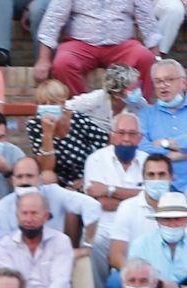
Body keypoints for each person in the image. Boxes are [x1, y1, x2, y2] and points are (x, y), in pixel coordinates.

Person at [34, 0, 160, 97]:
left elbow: (147, 20)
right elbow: (53, 18)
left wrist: (157, 60)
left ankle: (135, 115)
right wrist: (43, 59)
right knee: (63, 63)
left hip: (122, 45)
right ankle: (82, 114)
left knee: (144, 57)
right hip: (80, 44)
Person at [83, 111, 147, 288]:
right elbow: (102, 202)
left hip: (139, 227)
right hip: (105, 228)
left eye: (132, 134)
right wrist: (137, 197)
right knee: (92, 242)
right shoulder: (96, 160)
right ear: (112, 135)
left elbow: (151, 198)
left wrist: (109, 189)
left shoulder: (147, 162)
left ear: (140, 138)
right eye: (121, 133)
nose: (126, 139)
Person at [0, 191, 74, 288]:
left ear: (46, 216)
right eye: (24, 213)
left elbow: (60, 282)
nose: (28, 219)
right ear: (17, 216)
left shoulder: (61, 241)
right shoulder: (5, 244)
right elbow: (9, 282)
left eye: (34, 213)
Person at [26, 80, 108, 189]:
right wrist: (47, 134)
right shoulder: (35, 125)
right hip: (57, 182)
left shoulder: (78, 120)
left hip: (85, 177)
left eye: (53, 103)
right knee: (47, 176)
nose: (48, 107)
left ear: (63, 104)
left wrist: (87, 178)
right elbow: (46, 167)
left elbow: (105, 146)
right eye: (43, 103)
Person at [128, 192, 187, 288]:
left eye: (177, 219)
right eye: (166, 219)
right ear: (158, 220)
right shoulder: (141, 244)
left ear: (185, 220)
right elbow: (135, 282)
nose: (172, 224)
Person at [109, 153, 174, 273]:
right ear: (143, 178)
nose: (156, 179)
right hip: (136, 274)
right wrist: (142, 276)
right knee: (114, 284)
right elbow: (115, 256)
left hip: (175, 275)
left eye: (161, 174)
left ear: (171, 177)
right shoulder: (127, 207)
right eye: (151, 175)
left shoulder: (181, 206)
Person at [138, 59, 187, 194]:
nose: (163, 85)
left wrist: (165, 143)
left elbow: (153, 149)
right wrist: (182, 154)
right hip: (159, 187)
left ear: (183, 82)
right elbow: (143, 148)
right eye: (158, 81)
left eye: (169, 80)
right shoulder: (146, 115)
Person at [64, 63, 147, 133]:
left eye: (138, 86)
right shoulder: (94, 99)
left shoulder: (140, 104)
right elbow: (66, 108)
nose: (137, 91)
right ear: (117, 94)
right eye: (132, 90)